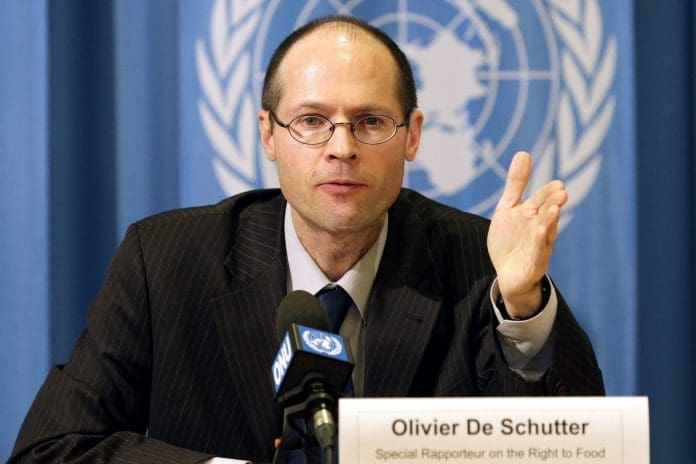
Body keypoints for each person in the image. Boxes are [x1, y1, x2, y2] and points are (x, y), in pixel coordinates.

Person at [10, 14, 603, 464]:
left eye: (370, 122)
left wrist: (521, 306)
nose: (341, 148)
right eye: (312, 121)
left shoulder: (479, 261)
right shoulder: (165, 260)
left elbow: (572, 449)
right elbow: (51, 448)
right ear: (268, 135)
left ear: (412, 136)